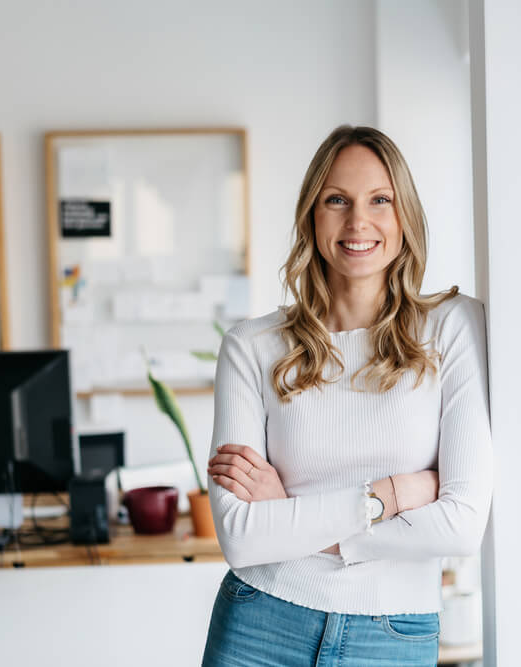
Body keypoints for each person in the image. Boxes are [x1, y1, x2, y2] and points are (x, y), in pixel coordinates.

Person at [200, 125, 493, 667]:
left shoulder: (453, 327)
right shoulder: (252, 347)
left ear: (404, 215)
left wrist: (289, 516)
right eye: (337, 200)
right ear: (312, 215)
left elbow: (461, 523)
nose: (359, 222)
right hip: (260, 622)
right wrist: (395, 494)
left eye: (380, 200)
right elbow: (242, 537)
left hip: (393, 635)